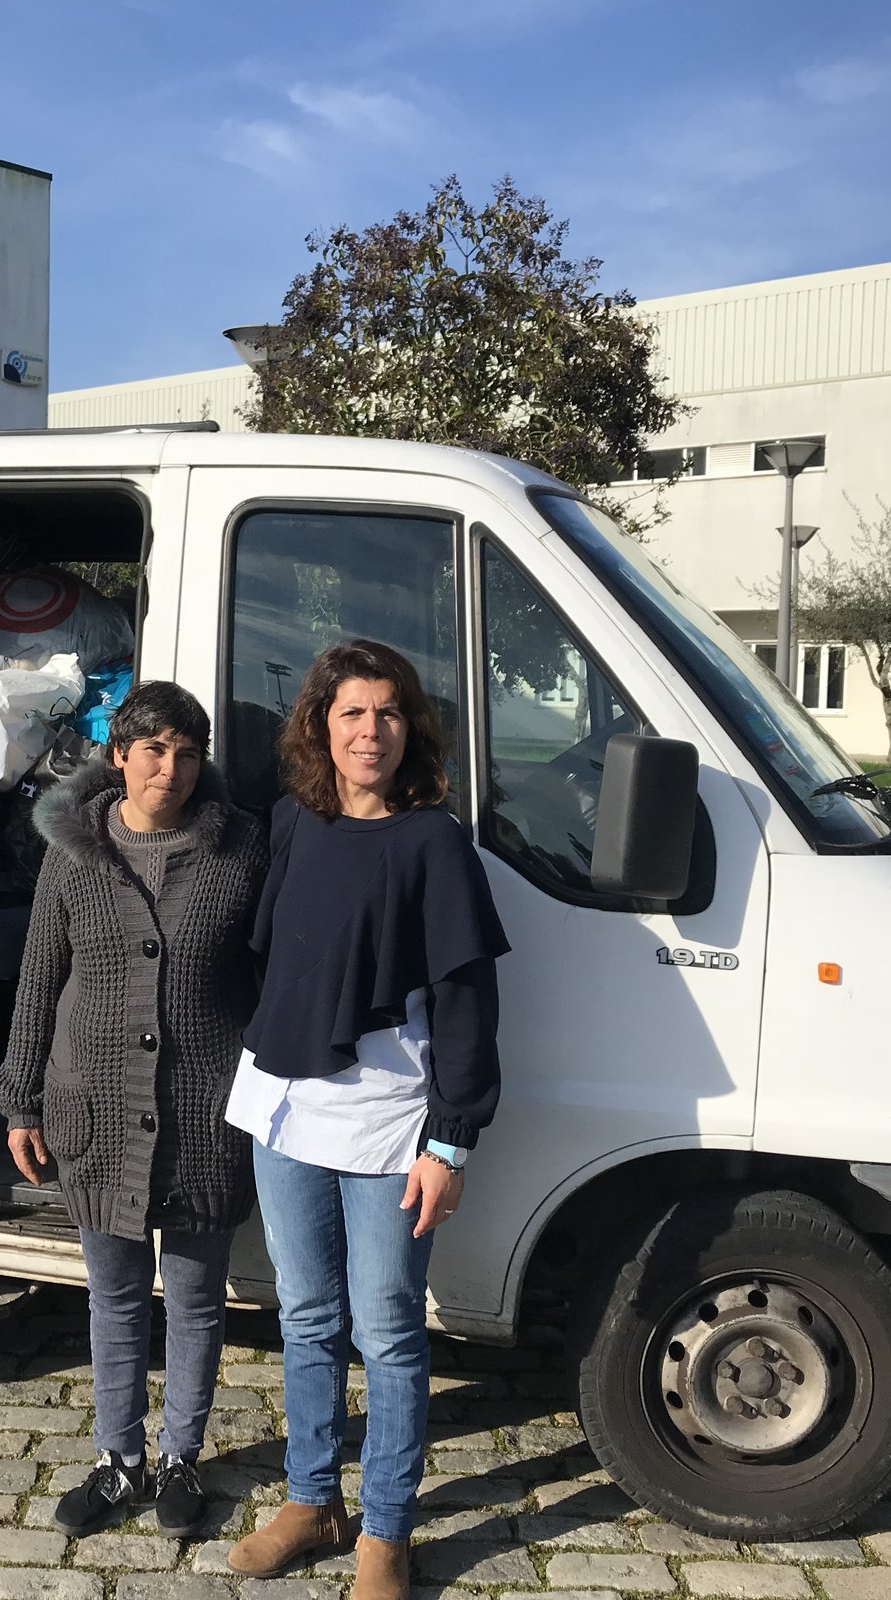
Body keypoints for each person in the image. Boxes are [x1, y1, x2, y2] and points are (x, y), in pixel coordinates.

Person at [223, 640, 510, 1600]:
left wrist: (450, 1142)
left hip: (391, 1121)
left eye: (388, 712)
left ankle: (384, 1529)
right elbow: (269, 958)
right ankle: (312, 1501)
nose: (369, 730)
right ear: (319, 725)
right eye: (351, 711)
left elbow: (467, 1003)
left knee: (386, 1331)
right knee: (305, 1316)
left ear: (409, 729)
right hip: (284, 1107)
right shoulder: (291, 823)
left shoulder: (433, 842)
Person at [0, 681, 267, 1536]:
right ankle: (117, 1460)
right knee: (112, 1299)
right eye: (152, 750)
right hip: (96, 1113)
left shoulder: (241, 850)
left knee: (194, 1300)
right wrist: (20, 1099)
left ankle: (181, 1457)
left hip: (202, 1115)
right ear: (119, 755)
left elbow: (268, 979)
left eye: (187, 753)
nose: (169, 769)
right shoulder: (73, 852)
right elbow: (39, 977)